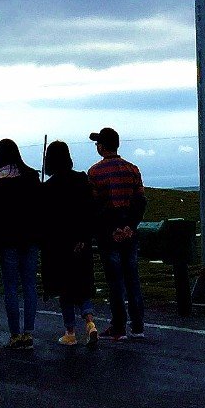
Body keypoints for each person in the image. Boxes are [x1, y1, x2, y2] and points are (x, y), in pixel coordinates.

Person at [39, 140, 100, 349]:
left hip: (59, 245)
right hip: (81, 243)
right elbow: (90, 212)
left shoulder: (48, 188)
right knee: (83, 285)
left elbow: (45, 220)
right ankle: (90, 322)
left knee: (65, 289)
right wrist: (83, 238)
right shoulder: (82, 181)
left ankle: (70, 333)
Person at [88, 127, 147, 340]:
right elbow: (140, 201)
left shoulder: (95, 172)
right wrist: (130, 226)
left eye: (98, 143)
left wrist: (112, 229)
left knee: (115, 282)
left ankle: (119, 327)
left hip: (108, 233)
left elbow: (95, 206)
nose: (97, 146)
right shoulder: (132, 169)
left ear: (102, 146)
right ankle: (138, 327)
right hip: (130, 232)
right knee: (133, 279)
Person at [0, 138, 43, 350]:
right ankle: (29, 332)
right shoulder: (32, 177)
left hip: (7, 240)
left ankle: (14, 334)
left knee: (10, 286)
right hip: (30, 239)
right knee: (29, 285)